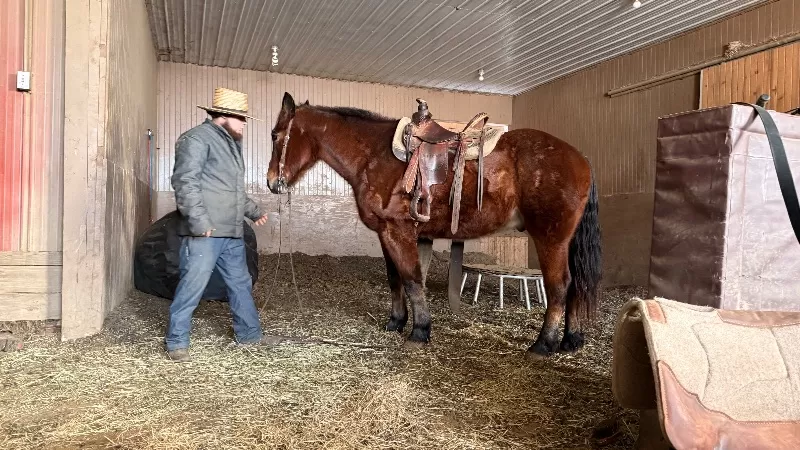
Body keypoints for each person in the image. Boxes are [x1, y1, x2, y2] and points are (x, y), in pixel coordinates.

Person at [165, 87, 277, 362]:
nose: (243, 124)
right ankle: (177, 341)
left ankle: (249, 335)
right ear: (224, 116)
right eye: (241, 119)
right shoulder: (196, 139)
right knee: (193, 283)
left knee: (240, 283)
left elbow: (230, 188)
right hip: (206, 231)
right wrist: (199, 220)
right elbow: (184, 182)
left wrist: (252, 210)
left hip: (230, 231)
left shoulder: (230, 143)